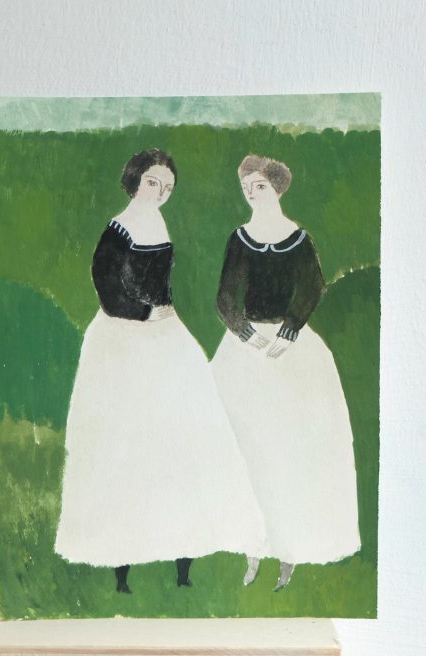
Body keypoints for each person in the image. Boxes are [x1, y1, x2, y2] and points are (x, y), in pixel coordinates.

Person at [55, 149, 266, 593]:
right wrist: (145, 314)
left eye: (167, 187)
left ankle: (183, 561)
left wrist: (162, 315)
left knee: (184, 439)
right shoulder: (118, 228)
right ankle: (120, 567)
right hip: (122, 340)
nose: (160, 192)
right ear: (135, 181)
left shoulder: (160, 224)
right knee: (126, 442)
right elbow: (107, 287)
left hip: (166, 337)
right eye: (153, 182)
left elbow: (162, 285)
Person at [212, 154, 361, 590]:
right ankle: (252, 548)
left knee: (291, 449)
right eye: (246, 189)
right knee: (247, 447)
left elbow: (313, 287)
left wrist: (290, 330)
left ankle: (290, 550)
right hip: (246, 351)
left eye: (258, 186)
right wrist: (244, 333)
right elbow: (225, 297)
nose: (251, 195)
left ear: (276, 188)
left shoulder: (299, 239)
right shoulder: (239, 239)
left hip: (291, 349)